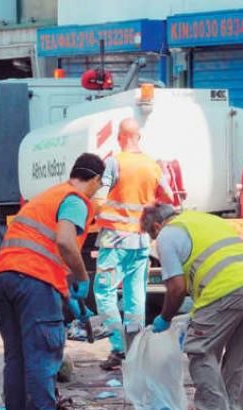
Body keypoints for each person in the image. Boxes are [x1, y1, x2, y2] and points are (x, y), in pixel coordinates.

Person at [0, 153, 105, 410]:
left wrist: (67, 293)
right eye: (100, 185)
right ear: (95, 180)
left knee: (15, 357)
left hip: (3, 277)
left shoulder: (47, 196)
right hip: (33, 281)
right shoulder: (76, 200)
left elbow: (40, 249)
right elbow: (65, 241)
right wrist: (82, 278)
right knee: (42, 353)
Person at [140, 203, 243, 410]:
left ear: (156, 226)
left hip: (226, 289)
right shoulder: (206, 220)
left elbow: (176, 288)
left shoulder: (167, 235)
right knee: (242, 352)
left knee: (199, 348)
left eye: (152, 235)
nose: (155, 241)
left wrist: (165, 317)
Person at [93, 117, 173, 371]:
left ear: (120, 137)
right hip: (141, 241)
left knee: (104, 292)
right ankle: (135, 346)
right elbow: (169, 197)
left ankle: (119, 347)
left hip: (114, 238)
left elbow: (100, 195)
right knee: (135, 294)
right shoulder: (152, 166)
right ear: (138, 137)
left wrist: (94, 213)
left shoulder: (113, 163)